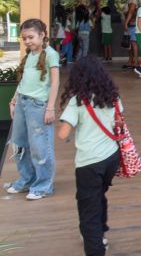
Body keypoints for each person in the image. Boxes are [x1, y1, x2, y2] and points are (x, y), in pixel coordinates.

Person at [57, 57, 122, 256]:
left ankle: (96, 248)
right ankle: (101, 233)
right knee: (98, 195)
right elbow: (117, 122)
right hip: (111, 156)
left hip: (89, 163)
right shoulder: (113, 96)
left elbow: (63, 134)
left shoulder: (77, 101)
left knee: (88, 211)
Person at [6, 19, 60, 200]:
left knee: (40, 147)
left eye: (31, 37)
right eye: (24, 38)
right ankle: (26, 179)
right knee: (20, 143)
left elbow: (55, 82)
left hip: (38, 105)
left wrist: (50, 107)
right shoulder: (29, 55)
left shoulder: (51, 54)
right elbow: (23, 81)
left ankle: (43, 185)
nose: (27, 41)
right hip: (22, 102)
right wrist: (14, 100)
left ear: (42, 35)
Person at [122, 0, 139, 70]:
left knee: (133, 43)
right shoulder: (131, 0)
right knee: (129, 43)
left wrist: (126, 22)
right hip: (130, 24)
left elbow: (131, 11)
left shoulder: (133, 1)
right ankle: (131, 61)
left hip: (132, 24)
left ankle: (135, 62)